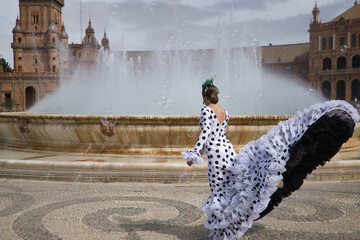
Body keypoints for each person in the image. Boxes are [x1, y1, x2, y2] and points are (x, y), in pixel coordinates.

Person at [182, 77, 360, 240]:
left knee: (219, 189)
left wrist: (195, 153)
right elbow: (218, 133)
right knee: (230, 186)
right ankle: (228, 225)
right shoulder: (224, 112)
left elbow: (206, 134)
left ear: (205, 96)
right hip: (226, 148)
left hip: (215, 153)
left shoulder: (206, 110)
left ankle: (225, 229)